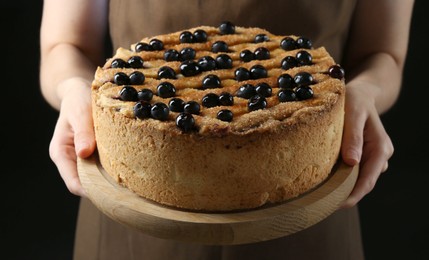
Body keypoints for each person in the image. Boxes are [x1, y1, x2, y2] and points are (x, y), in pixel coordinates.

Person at [39, 0, 414, 259]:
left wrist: (362, 92)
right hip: (133, 224)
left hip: (310, 210)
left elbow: (384, 54)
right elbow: (64, 44)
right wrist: (74, 89)